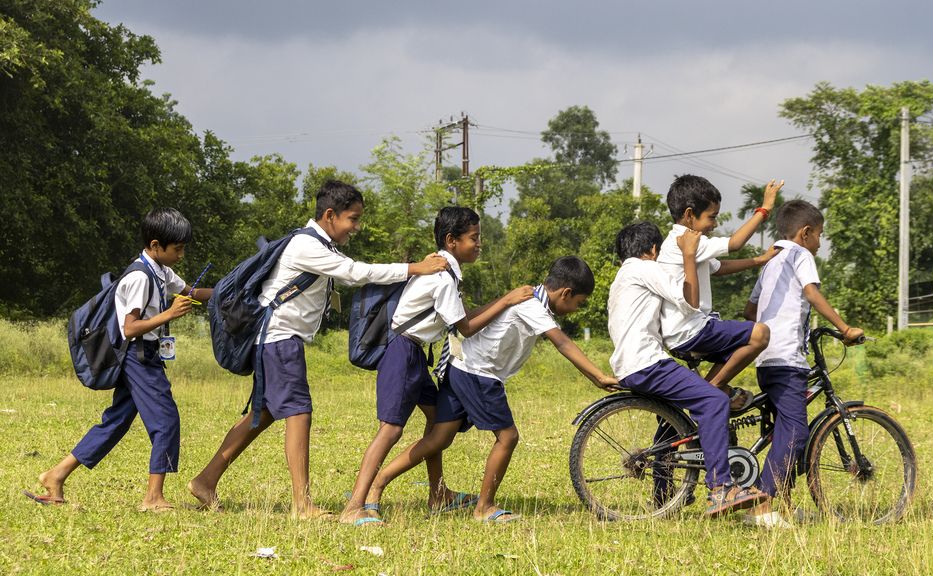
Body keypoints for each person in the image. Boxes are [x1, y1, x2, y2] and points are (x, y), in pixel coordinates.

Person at [187, 180, 448, 518]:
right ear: (330, 215)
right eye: (352, 219)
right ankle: (302, 503)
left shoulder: (319, 245)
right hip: (280, 338)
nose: (356, 227)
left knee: (262, 415)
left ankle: (206, 481)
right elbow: (354, 273)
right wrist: (415, 268)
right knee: (299, 412)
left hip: (279, 340)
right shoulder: (305, 246)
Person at [364, 256, 618, 523]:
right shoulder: (531, 305)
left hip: (460, 367)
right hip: (479, 375)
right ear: (566, 293)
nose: (576, 310)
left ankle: (378, 483)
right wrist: (598, 377)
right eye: (578, 303)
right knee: (507, 438)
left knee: (439, 438)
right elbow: (563, 343)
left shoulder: (528, 298)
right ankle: (484, 507)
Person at [340, 206, 534, 526]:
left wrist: (503, 303)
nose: (479, 243)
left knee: (436, 420)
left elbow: (463, 317)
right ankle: (358, 502)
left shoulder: (447, 272)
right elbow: (466, 328)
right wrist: (507, 300)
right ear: (451, 240)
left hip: (416, 354)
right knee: (391, 429)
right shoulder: (442, 275)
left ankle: (438, 494)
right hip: (403, 353)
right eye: (474, 238)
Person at [29, 208, 212, 511]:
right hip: (137, 357)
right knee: (166, 421)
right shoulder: (140, 277)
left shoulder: (160, 270)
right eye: (177, 249)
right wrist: (169, 313)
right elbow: (130, 328)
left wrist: (229, 291)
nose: (181, 255)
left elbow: (191, 291)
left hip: (144, 355)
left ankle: (55, 475)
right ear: (156, 246)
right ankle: (153, 498)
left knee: (115, 422)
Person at [608, 221, 767, 516]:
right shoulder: (646, 268)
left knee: (671, 420)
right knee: (713, 400)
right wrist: (689, 255)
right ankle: (721, 489)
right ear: (653, 250)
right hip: (648, 362)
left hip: (632, 364)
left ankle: (664, 494)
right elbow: (691, 302)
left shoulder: (623, 275)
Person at [743, 200, 863, 527]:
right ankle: (761, 505)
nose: (821, 243)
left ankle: (782, 504)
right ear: (805, 232)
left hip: (765, 358)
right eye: (820, 235)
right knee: (796, 432)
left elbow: (749, 312)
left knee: (783, 429)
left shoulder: (770, 261)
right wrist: (844, 328)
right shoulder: (800, 254)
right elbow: (811, 293)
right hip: (786, 358)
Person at [658, 174, 784, 409]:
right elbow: (735, 243)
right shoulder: (686, 240)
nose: (714, 224)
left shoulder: (687, 243)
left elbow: (718, 267)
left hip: (684, 330)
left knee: (740, 343)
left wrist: (759, 260)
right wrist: (764, 209)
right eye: (711, 217)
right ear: (689, 215)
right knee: (760, 334)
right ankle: (712, 389)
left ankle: (702, 396)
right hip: (691, 329)